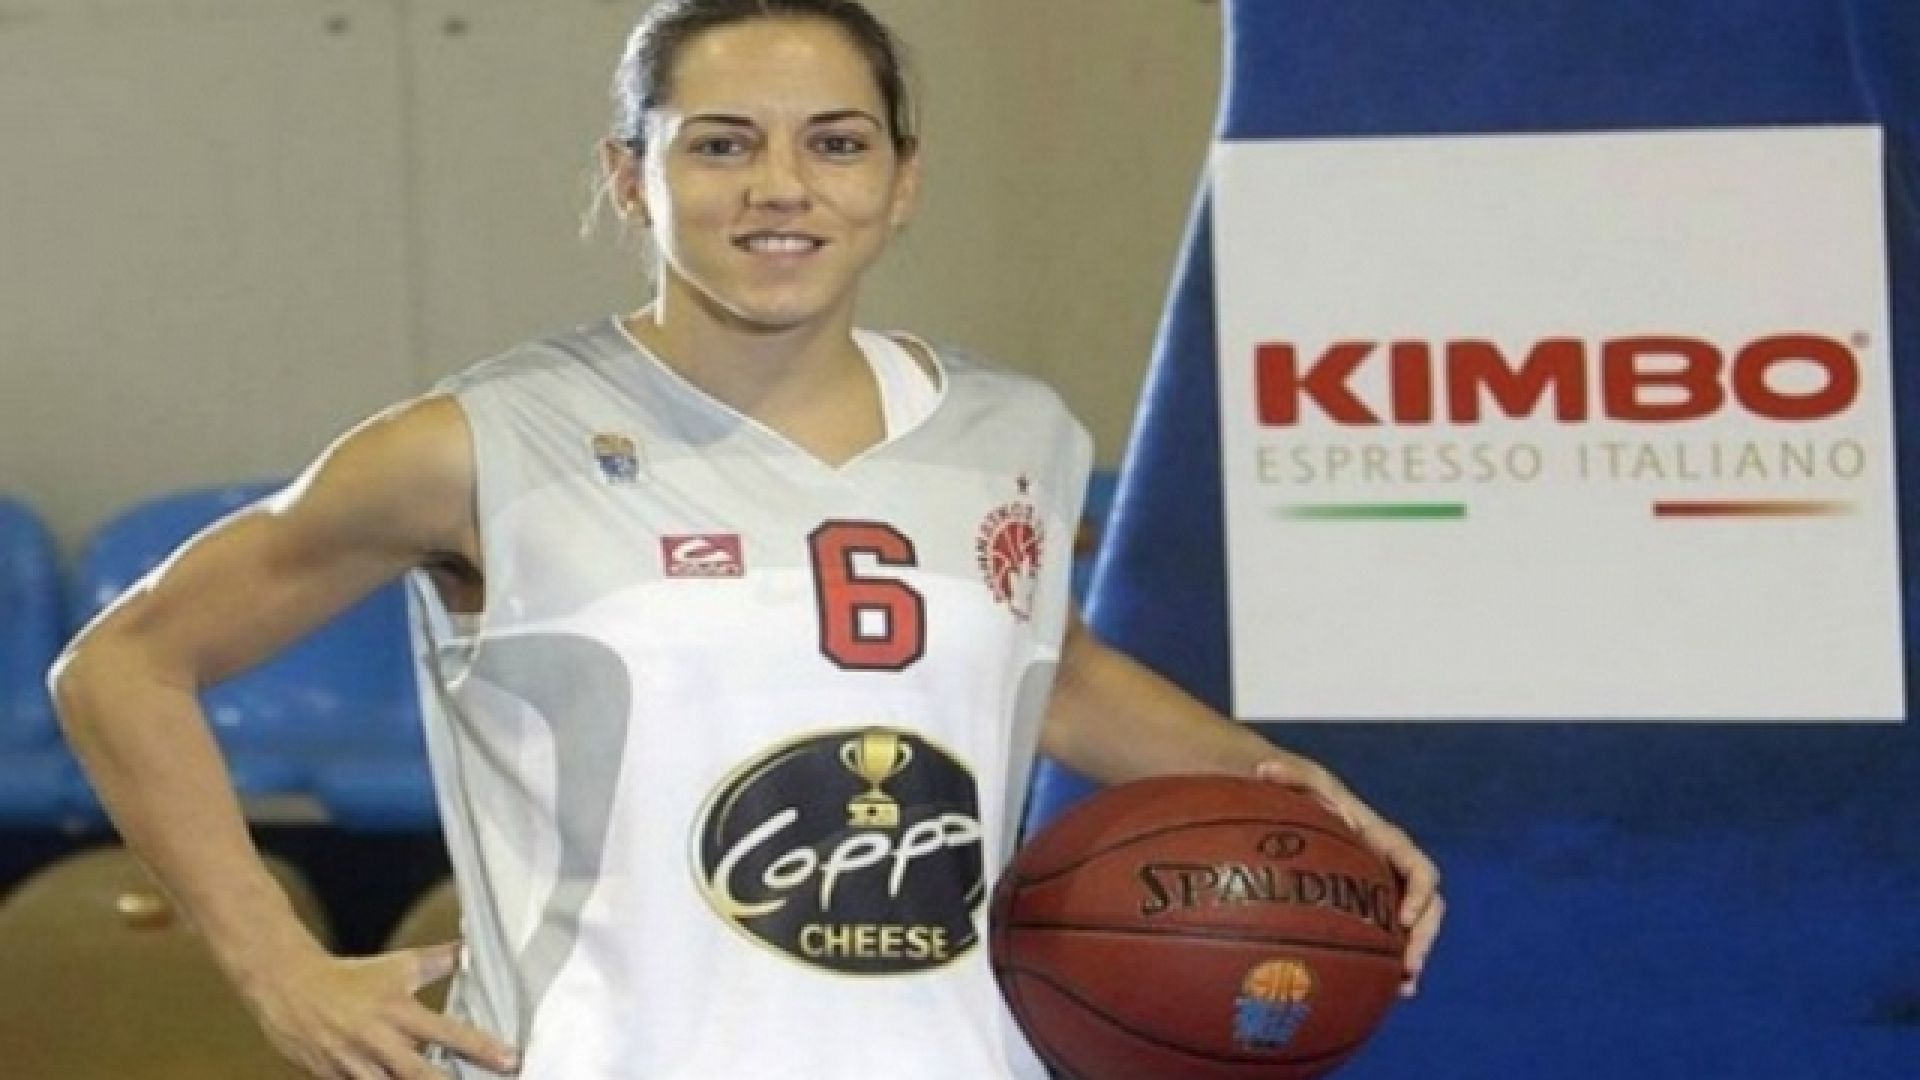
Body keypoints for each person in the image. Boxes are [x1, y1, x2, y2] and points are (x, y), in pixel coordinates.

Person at [49, 1, 1443, 1077]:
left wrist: (1288, 796)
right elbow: (123, 666)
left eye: (836, 142)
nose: (782, 186)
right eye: (721, 143)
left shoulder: (1015, 433)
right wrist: (277, 965)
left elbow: (1052, 671)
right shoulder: (475, 444)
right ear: (629, 176)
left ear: (901, 179)